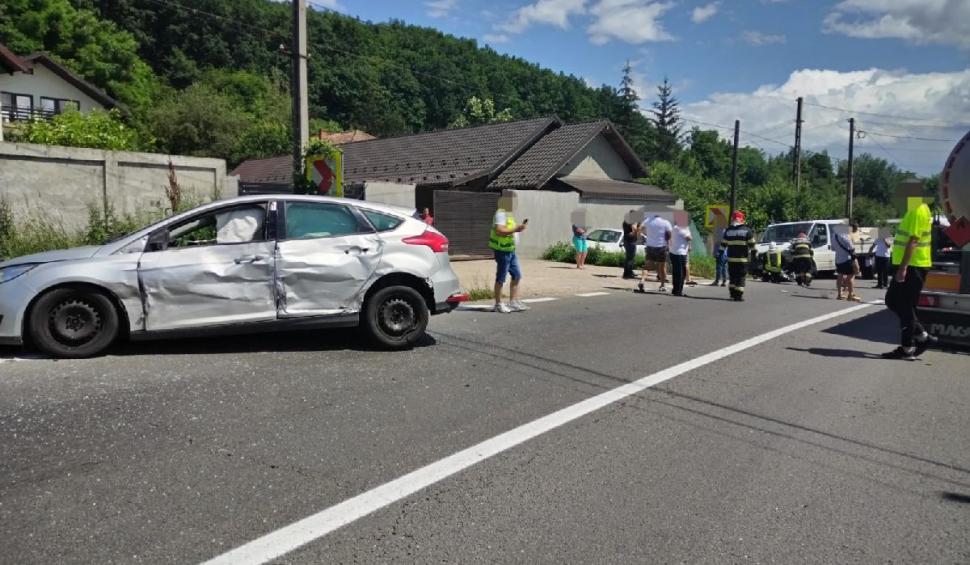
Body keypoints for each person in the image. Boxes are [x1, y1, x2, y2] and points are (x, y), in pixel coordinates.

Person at [882, 202, 937, 359]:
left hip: (913, 265)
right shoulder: (920, 208)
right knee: (895, 302)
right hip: (913, 264)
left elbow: (913, 240)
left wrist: (903, 268)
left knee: (904, 305)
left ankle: (907, 348)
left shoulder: (916, 210)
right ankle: (923, 337)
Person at [489, 205, 528, 313]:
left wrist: (518, 228)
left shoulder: (508, 215)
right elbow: (499, 231)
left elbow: (509, 229)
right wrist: (516, 229)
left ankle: (513, 302)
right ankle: (498, 304)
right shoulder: (501, 213)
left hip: (510, 250)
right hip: (502, 251)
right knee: (501, 278)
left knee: (516, 275)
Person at [720, 210, 755, 301]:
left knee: (732, 277)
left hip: (731, 259)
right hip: (742, 260)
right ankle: (738, 296)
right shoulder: (747, 231)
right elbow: (752, 246)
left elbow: (723, 245)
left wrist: (720, 254)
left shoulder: (728, 231)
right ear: (742, 219)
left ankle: (732, 294)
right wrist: (754, 256)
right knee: (741, 277)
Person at [639, 213, 672, 293]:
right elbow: (670, 234)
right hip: (661, 246)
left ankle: (642, 280)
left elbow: (640, 228)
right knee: (662, 267)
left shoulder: (648, 221)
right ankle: (662, 285)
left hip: (650, 246)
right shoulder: (665, 222)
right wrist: (669, 244)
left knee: (647, 266)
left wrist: (644, 235)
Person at [833, 223, 861, 302]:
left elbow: (833, 248)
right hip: (846, 259)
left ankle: (839, 294)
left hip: (838, 259)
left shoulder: (834, 235)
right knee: (851, 276)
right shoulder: (845, 235)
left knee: (839, 275)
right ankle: (850, 295)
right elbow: (851, 248)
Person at [670, 221, 691, 296]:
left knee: (677, 272)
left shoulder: (676, 228)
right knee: (681, 273)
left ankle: (675, 290)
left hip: (676, 252)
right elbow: (689, 238)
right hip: (679, 253)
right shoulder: (679, 228)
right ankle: (678, 291)